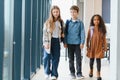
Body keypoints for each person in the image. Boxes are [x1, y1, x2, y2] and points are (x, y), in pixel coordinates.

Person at [43, 5, 64, 80]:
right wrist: (45, 43)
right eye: (54, 12)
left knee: (56, 58)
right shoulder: (48, 22)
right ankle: (47, 72)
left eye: (57, 12)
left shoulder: (61, 22)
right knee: (46, 57)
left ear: (59, 12)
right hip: (49, 41)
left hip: (56, 41)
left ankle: (54, 74)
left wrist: (62, 36)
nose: (56, 13)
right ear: (51, 12)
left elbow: (63, 32)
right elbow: (45, 33)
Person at [64, 5, 85, 79]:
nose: (73, 13)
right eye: (71, 12)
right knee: (71, 59)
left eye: (74, 12)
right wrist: (65, 42)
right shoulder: (68, 22)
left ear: (77, 13)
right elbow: (65, 33)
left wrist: (82, 42)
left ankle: (79, 73)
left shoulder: (80, 23)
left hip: (77, 43)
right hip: (69, 43)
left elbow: (82, 33)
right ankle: (72, 73)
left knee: (78, 59)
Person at [86, 14, 107, 80]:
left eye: (98, 20)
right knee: (91, 60)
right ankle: (91, 70)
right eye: (95, 20)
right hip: (92, 47)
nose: (96, 21)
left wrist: (105, 46)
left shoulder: (102, 29)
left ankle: (98, 73)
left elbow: (104, 39)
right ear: (92, 21)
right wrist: (87, 45)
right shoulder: (91, 29)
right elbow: (88, 37)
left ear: (100, 21)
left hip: (99, 47)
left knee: (98, 60)